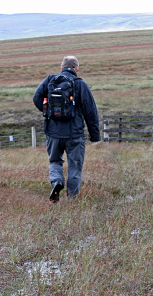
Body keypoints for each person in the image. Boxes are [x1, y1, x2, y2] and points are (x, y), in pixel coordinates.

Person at [33, 56, 100, 202]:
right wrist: (94, 136)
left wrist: (48, 113)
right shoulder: (80, 84)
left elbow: (36, 97)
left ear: (61, 66)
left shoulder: (50, 80)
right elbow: (91, 112)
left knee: (55, 161)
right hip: (74, 134)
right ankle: (72, 199)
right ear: (76, 68)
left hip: (53, 132)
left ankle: (57, 182)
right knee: (74, 167)